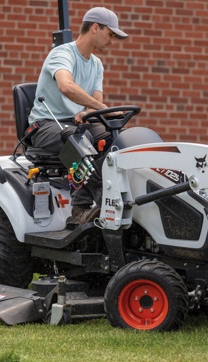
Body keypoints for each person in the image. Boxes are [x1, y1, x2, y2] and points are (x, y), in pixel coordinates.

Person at [28, 7, 128, 224]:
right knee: (79, 141)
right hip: (46, 125)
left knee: (118, 140)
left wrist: (89, 112)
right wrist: (96, 106)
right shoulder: (62, 54)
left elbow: (95, 101)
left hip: (77, 124)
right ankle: (83, 209)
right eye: (110, 34)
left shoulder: (96, 64)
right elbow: (66, 86)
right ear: (95, 28)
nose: (112, 41)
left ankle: (123, 195)